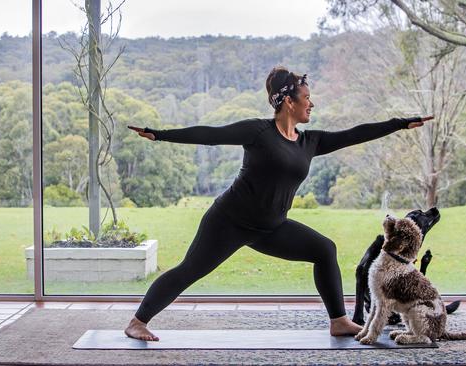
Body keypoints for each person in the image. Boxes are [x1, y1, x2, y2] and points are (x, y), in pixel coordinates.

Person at [124, 66, 433, 341]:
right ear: (289, 101)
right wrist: (160, 135)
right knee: (189, 271)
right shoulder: (258, 131)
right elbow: (211, 135)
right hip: (228, 221)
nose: (312, 103)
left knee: (324, 250)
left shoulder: (310, 141)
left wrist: (400, 123)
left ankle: (338, 321)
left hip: (271, 227)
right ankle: (137, 322)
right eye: (307, 98)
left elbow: (355, 134)